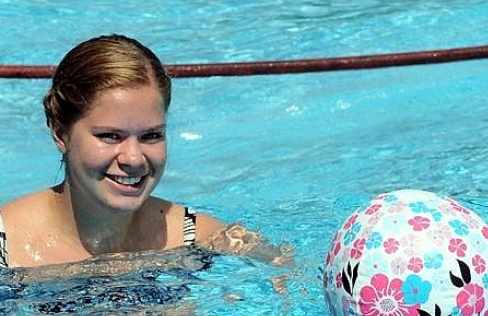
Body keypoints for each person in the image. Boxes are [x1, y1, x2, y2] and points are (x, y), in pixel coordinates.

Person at [0, 34, 284, 270]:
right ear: (60, 133)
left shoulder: (195, 237)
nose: (134, 159)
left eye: (151, 136)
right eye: (110, 136)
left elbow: (285, 273)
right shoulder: (7, 247)